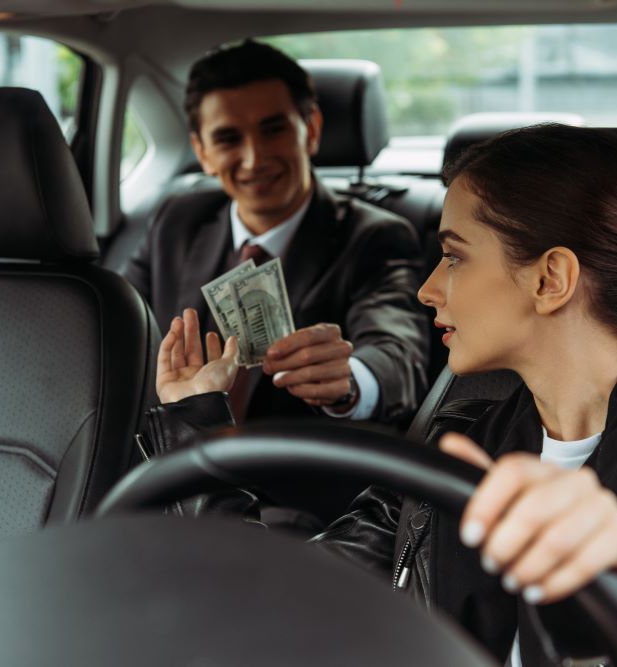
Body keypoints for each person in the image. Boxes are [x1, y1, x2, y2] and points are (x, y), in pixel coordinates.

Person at [140, 124, 617, 666]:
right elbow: (293, 596)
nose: (430, 289)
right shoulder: (461, 442)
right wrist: (199, 421)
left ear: (551, 279)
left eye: (453, 256)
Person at [122, 39, 428, 430]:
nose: (254, 158)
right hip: (172, 465)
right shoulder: (176, 220)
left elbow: (397, 352)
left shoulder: (375, 237)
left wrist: (348, 382)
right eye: (228, 138)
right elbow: (119, 337)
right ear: (202, 152)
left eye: (274, 129)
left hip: (293, 476)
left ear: (311, 130)